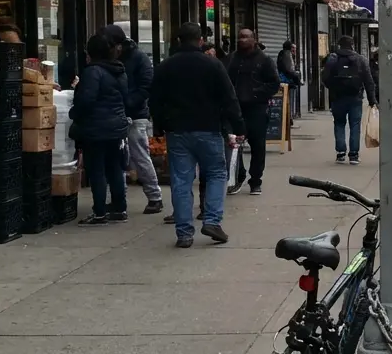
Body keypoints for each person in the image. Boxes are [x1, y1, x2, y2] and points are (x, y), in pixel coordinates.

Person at [152, 22, 244, 248]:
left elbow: (154, 98)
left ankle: (184, 233)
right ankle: (212, 220)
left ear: (178, 41)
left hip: (177, 131)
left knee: (181, 180)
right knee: (215, 174)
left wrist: (160, 125)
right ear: (201, 40)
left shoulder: (165, 66)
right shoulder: (213, 65)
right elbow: (228, 98)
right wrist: (238, 126)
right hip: (208, 128)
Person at [70, 34, 130, 225]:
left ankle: (99, 211)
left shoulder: (93, 72)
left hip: (96, 127)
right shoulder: (119, 70)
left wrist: (74, 113)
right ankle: (120, 208)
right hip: (116, 126)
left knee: (96, 169)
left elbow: (86, 100)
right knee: (114, 167)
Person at [104, 25, 162, 214]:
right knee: (118, 157)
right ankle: (119, 197)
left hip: (135, 114)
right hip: (118, 111)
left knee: (139, 155)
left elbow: (147, 85)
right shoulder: (114, 57)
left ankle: (155, 196)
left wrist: (129, 102)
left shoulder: (138, 58)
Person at [223, 27, 279, 195]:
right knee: (234, 146)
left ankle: (255, 180)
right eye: (240, 37)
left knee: (257, 146)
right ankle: (238, 177)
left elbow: (274, 84)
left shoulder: (264, 60)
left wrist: (256, 93)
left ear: (254, 40)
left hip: (256, 109)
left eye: (246, 37)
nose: (242, 40)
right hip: (235, 109)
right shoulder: (231, 59)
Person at [323, 36, 377, 165]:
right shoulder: (360, 59)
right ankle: (354, 155)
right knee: (355, 125)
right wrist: (372, 100)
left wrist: (333, 88)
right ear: (352, 45)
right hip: (355, 97)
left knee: (339, 123)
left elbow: (325, 78)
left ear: (339, 45)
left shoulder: (332, 59)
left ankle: (340, 153)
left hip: (337, 97)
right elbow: (369, 81)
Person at [277, 41, 302, 124]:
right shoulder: (287, 55)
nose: (294, 50)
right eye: (293, 48)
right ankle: (289, 117)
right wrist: (296, 79)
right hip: (287, 81)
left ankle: (288, 117)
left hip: (284, 79)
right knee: (289, 100)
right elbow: (289, 69)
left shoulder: (282, 54)